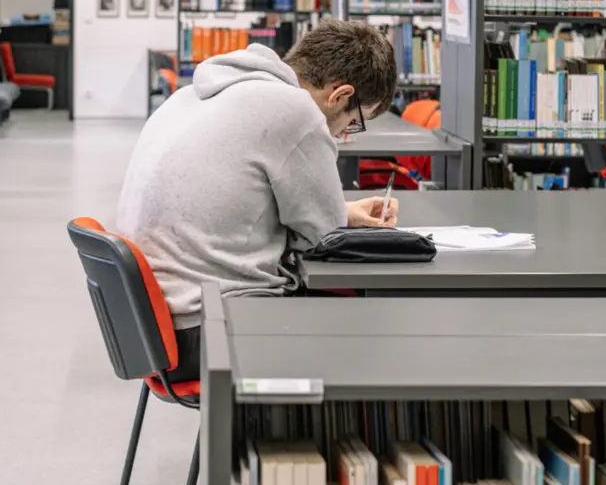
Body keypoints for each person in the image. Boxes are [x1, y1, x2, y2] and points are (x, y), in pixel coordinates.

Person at [116, 19, 400, 382]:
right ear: (340, 95)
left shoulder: (194, 94)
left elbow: (233, 201)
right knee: (377, 327)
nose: (345, 133)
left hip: (151, 325)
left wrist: (343, 211)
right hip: (210, 328)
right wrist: (333, 216)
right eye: (355, 120)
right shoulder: (296, 111)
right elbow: (324, 236)